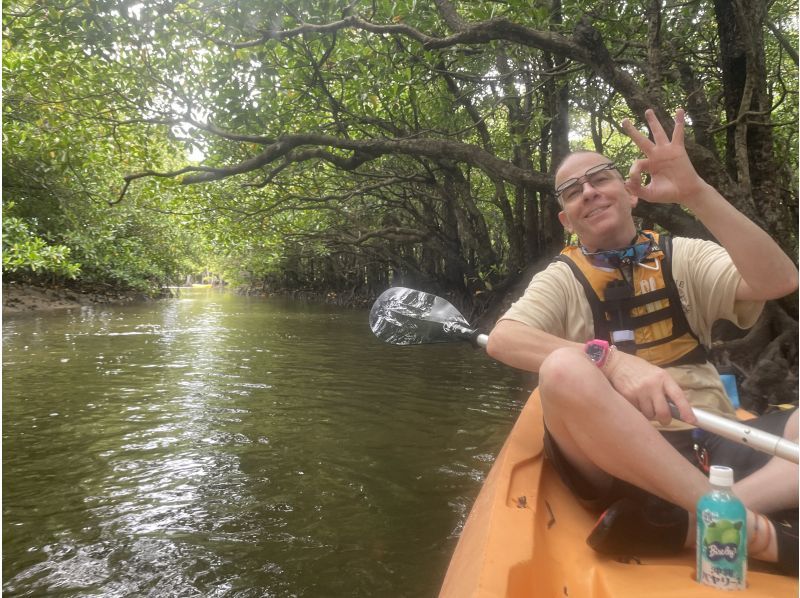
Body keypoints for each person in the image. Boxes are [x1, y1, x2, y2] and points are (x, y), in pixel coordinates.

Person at [486, 108, 799, 573]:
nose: (588, 191)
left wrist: (696, 193)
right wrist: (610, 362)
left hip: (712, 439)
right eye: (573, 191)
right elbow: (503, 340)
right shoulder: (563, 278)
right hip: (622, 459)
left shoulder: (682, 255)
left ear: (630, 193)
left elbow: (779, 280)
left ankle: (688, 521)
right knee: (563, 369)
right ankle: (745, 528)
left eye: (599, 178)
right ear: (566, 219)